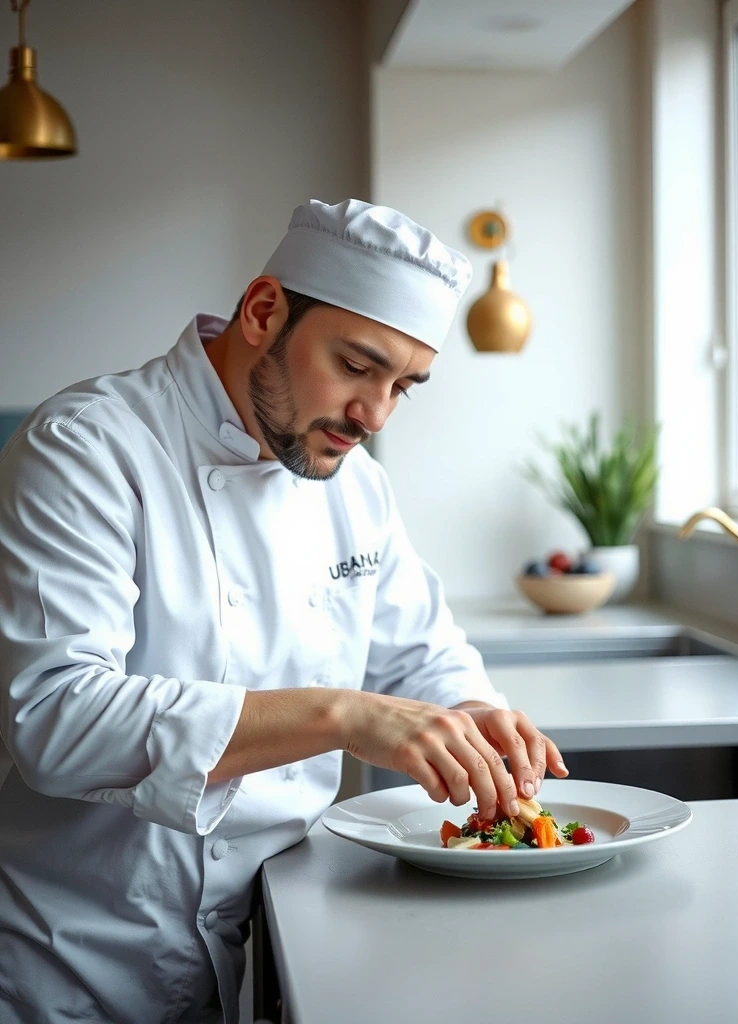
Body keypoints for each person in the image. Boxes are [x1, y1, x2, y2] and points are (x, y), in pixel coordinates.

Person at [0, 198, 568, 1024]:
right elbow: (56, 720)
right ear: (264, 311)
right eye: (357, 366)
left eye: (402, 388)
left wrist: (473, 713)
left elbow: (421, 654)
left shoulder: (356, 486)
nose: (374, 415)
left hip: (255, 946)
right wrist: (344, 716)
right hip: (66, 966)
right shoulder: (87, 446)